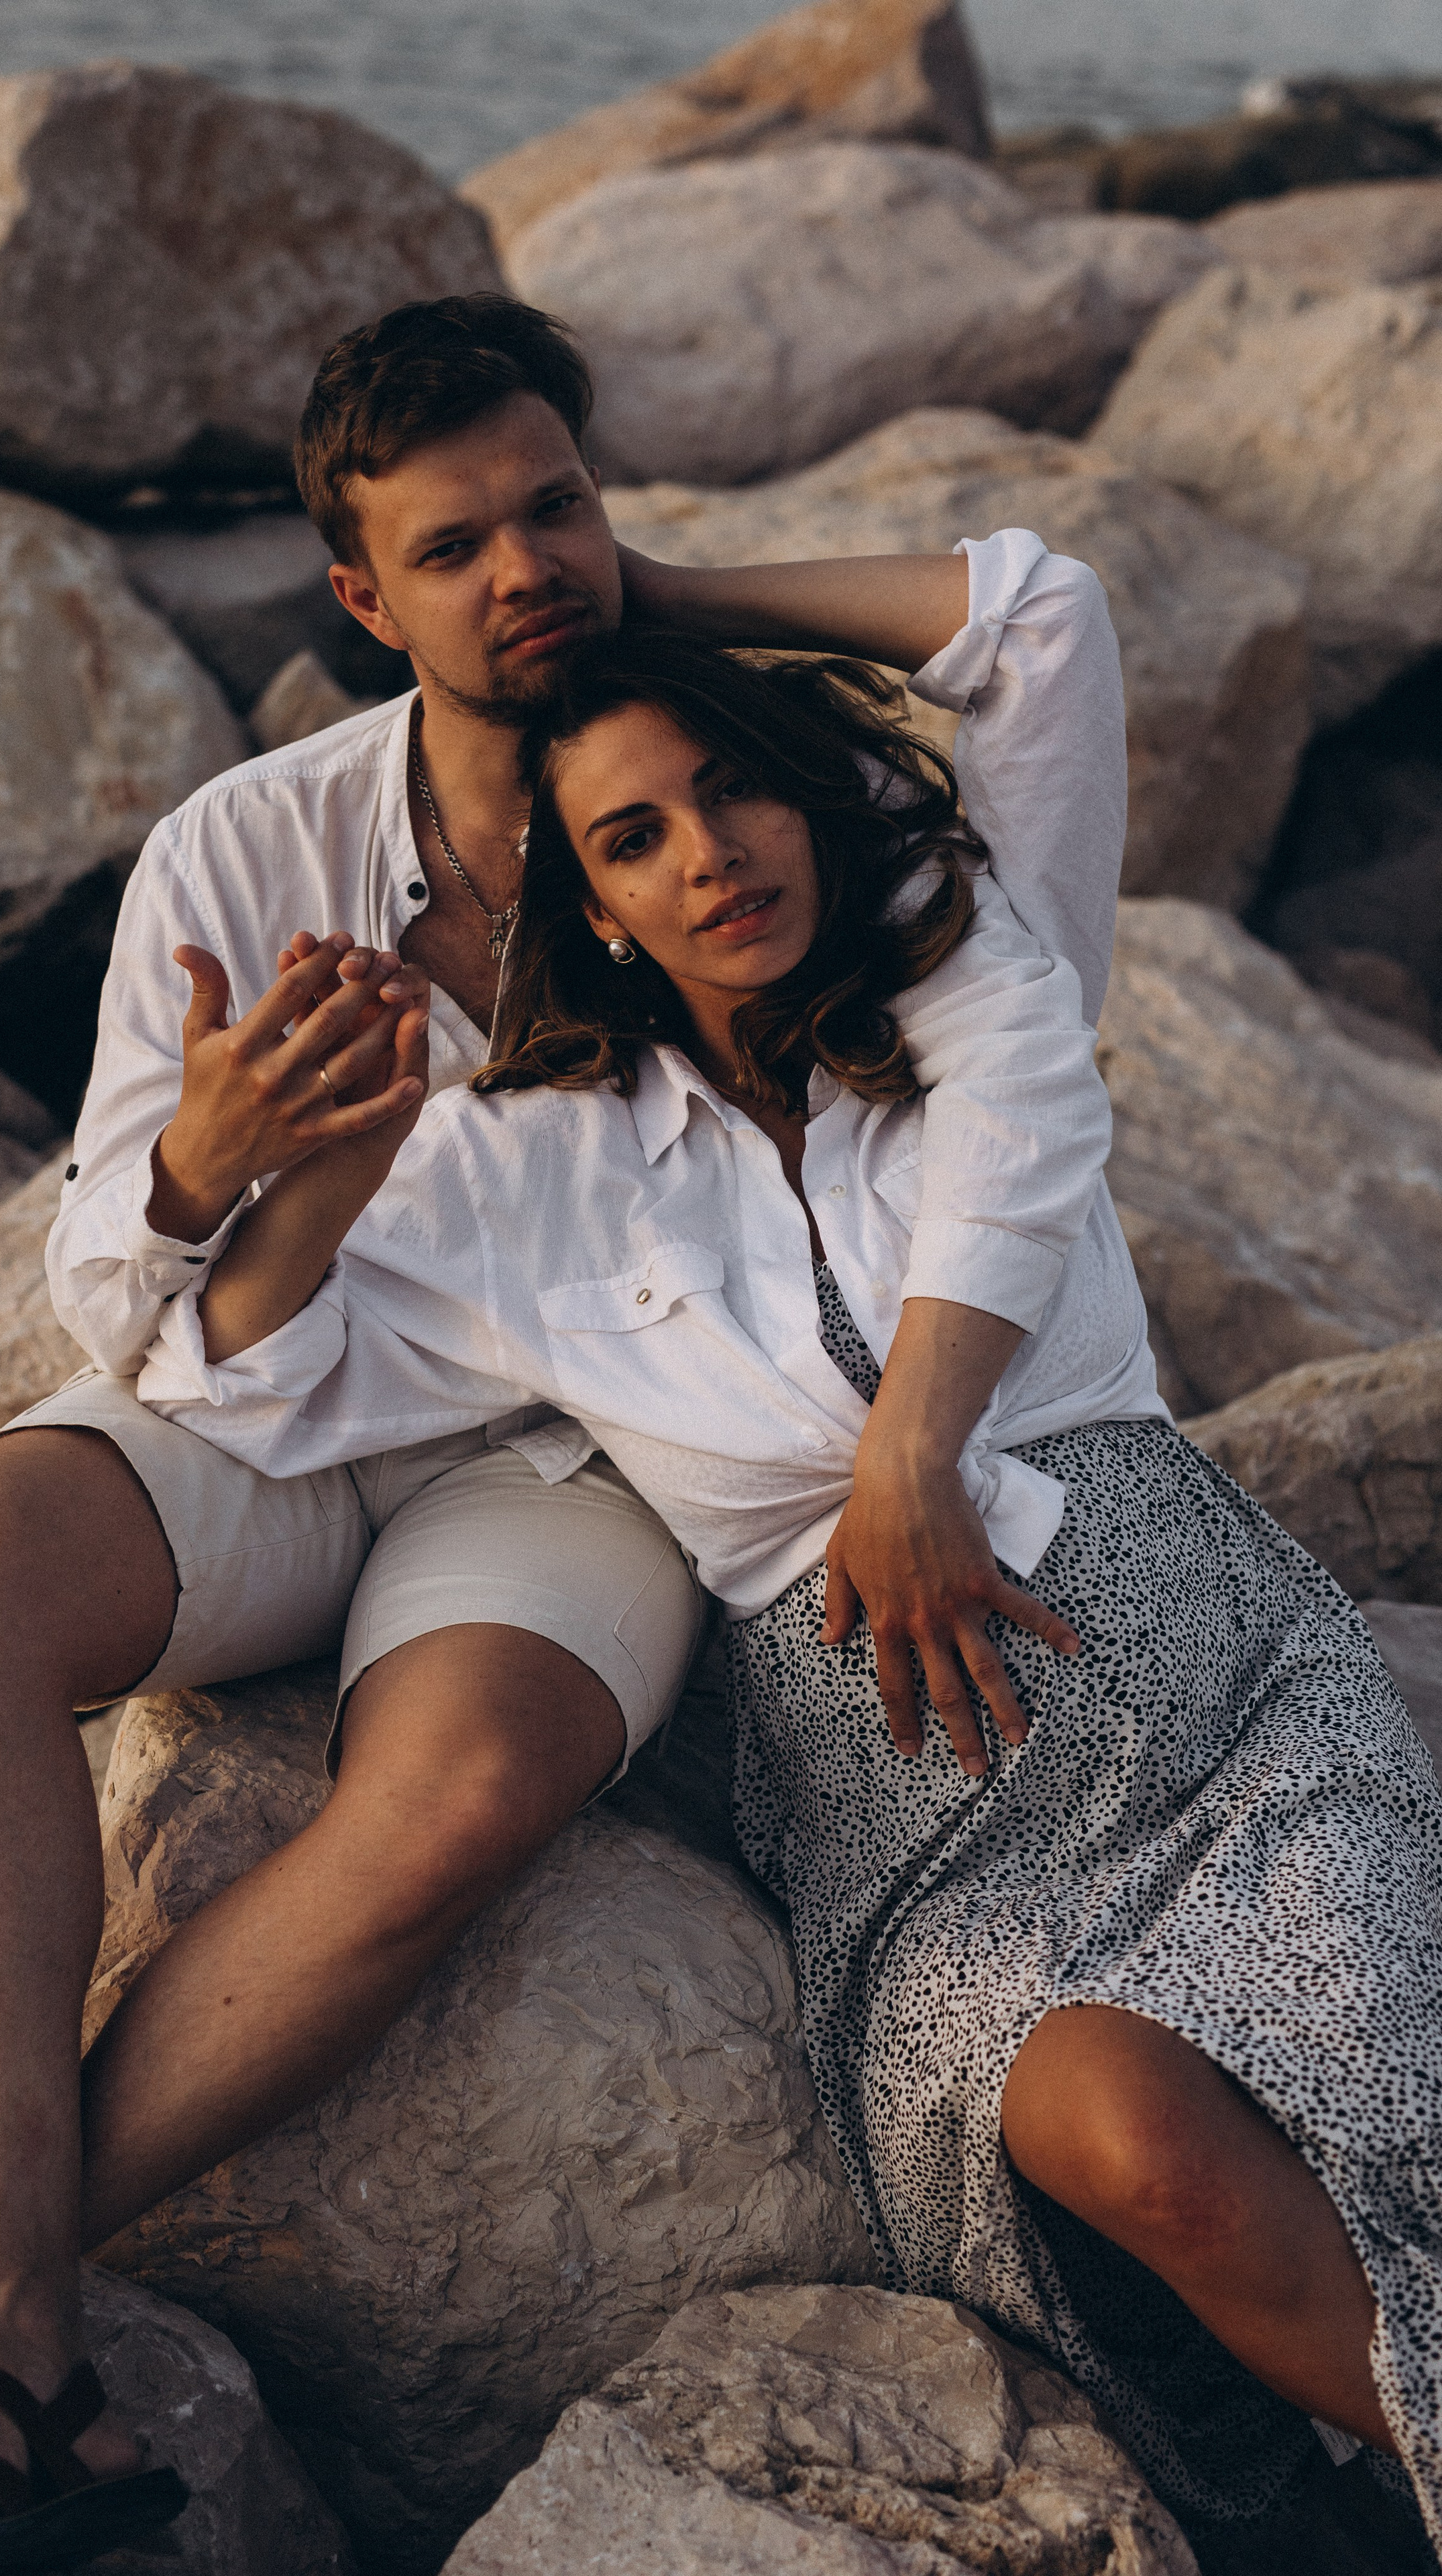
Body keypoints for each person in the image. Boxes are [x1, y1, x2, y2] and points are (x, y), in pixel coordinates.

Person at [0, 303, 1125, 2567]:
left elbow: (1039, 626)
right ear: (359, 596)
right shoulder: (242, 847)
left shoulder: (728, 820)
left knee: (466, 1784)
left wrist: (663, 598)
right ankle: (16, 2346)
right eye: (451, 548)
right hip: (278, 1393)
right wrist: (218, 1164)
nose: (521, 572)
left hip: (593, 1455)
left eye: (555, 512)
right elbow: (138, 1318)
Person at [135, 599, 1442, 2559]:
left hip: (1231, 1720)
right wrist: (263, 1159)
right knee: (1130, 2144)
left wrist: (650, 595)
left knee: (1395, 2102)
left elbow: (1043, 616)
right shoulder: (522, 1169)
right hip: (941, 1841)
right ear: (588, 906)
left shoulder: (974, 971)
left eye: (734, 785)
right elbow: (226, 1375)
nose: (710, 853)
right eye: (633, 836)